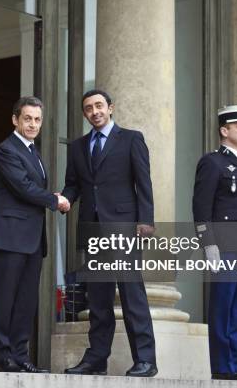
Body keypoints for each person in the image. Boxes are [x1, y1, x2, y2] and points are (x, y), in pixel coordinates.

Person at [61, 89, 157, 377]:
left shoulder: (131, 139)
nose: (95, 111)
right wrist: (64, 198)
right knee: (98, 298)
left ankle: (146, 360)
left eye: (99, 106)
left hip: (124, 227)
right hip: (92, 229)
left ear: (110, 108)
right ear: (85, 114)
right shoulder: (78, 147)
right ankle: (96, 359)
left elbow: (144, 182)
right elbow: (73, 184)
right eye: (89, 108)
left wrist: (146, 220)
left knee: (132, 295)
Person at [0, 96, 69, 373]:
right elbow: (22, 187)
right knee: (5, 298)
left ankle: (21, 356)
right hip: (9, 235)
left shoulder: (33, 151)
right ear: (15, 120)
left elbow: (30, 188)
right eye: (28, 118)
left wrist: (50, 197)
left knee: (26, 300)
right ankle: (3, 356)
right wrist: (54, 200)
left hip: (31, 238)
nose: (33, 124)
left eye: (37, 120)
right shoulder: (6, 150)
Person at [192, 105, 237, 381]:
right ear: (224, 130)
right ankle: (223, 368)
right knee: (222, 308)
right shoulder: (212, 163)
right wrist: (209, 244)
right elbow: (201, 208)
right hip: (225, 247)